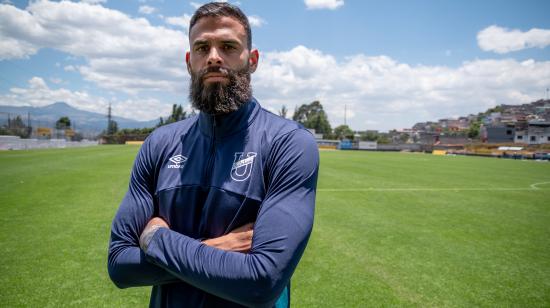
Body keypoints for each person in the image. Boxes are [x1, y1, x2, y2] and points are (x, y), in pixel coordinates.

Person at [107, 2, 319, 307]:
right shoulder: (159, 144)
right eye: (202, 47)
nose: (214, 57)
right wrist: (219, 248)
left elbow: (262, 281)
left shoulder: (288, 143)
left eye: (229, 46)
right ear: (189, 61)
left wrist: (155, 239)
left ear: (253, 60)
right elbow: (120, 265)